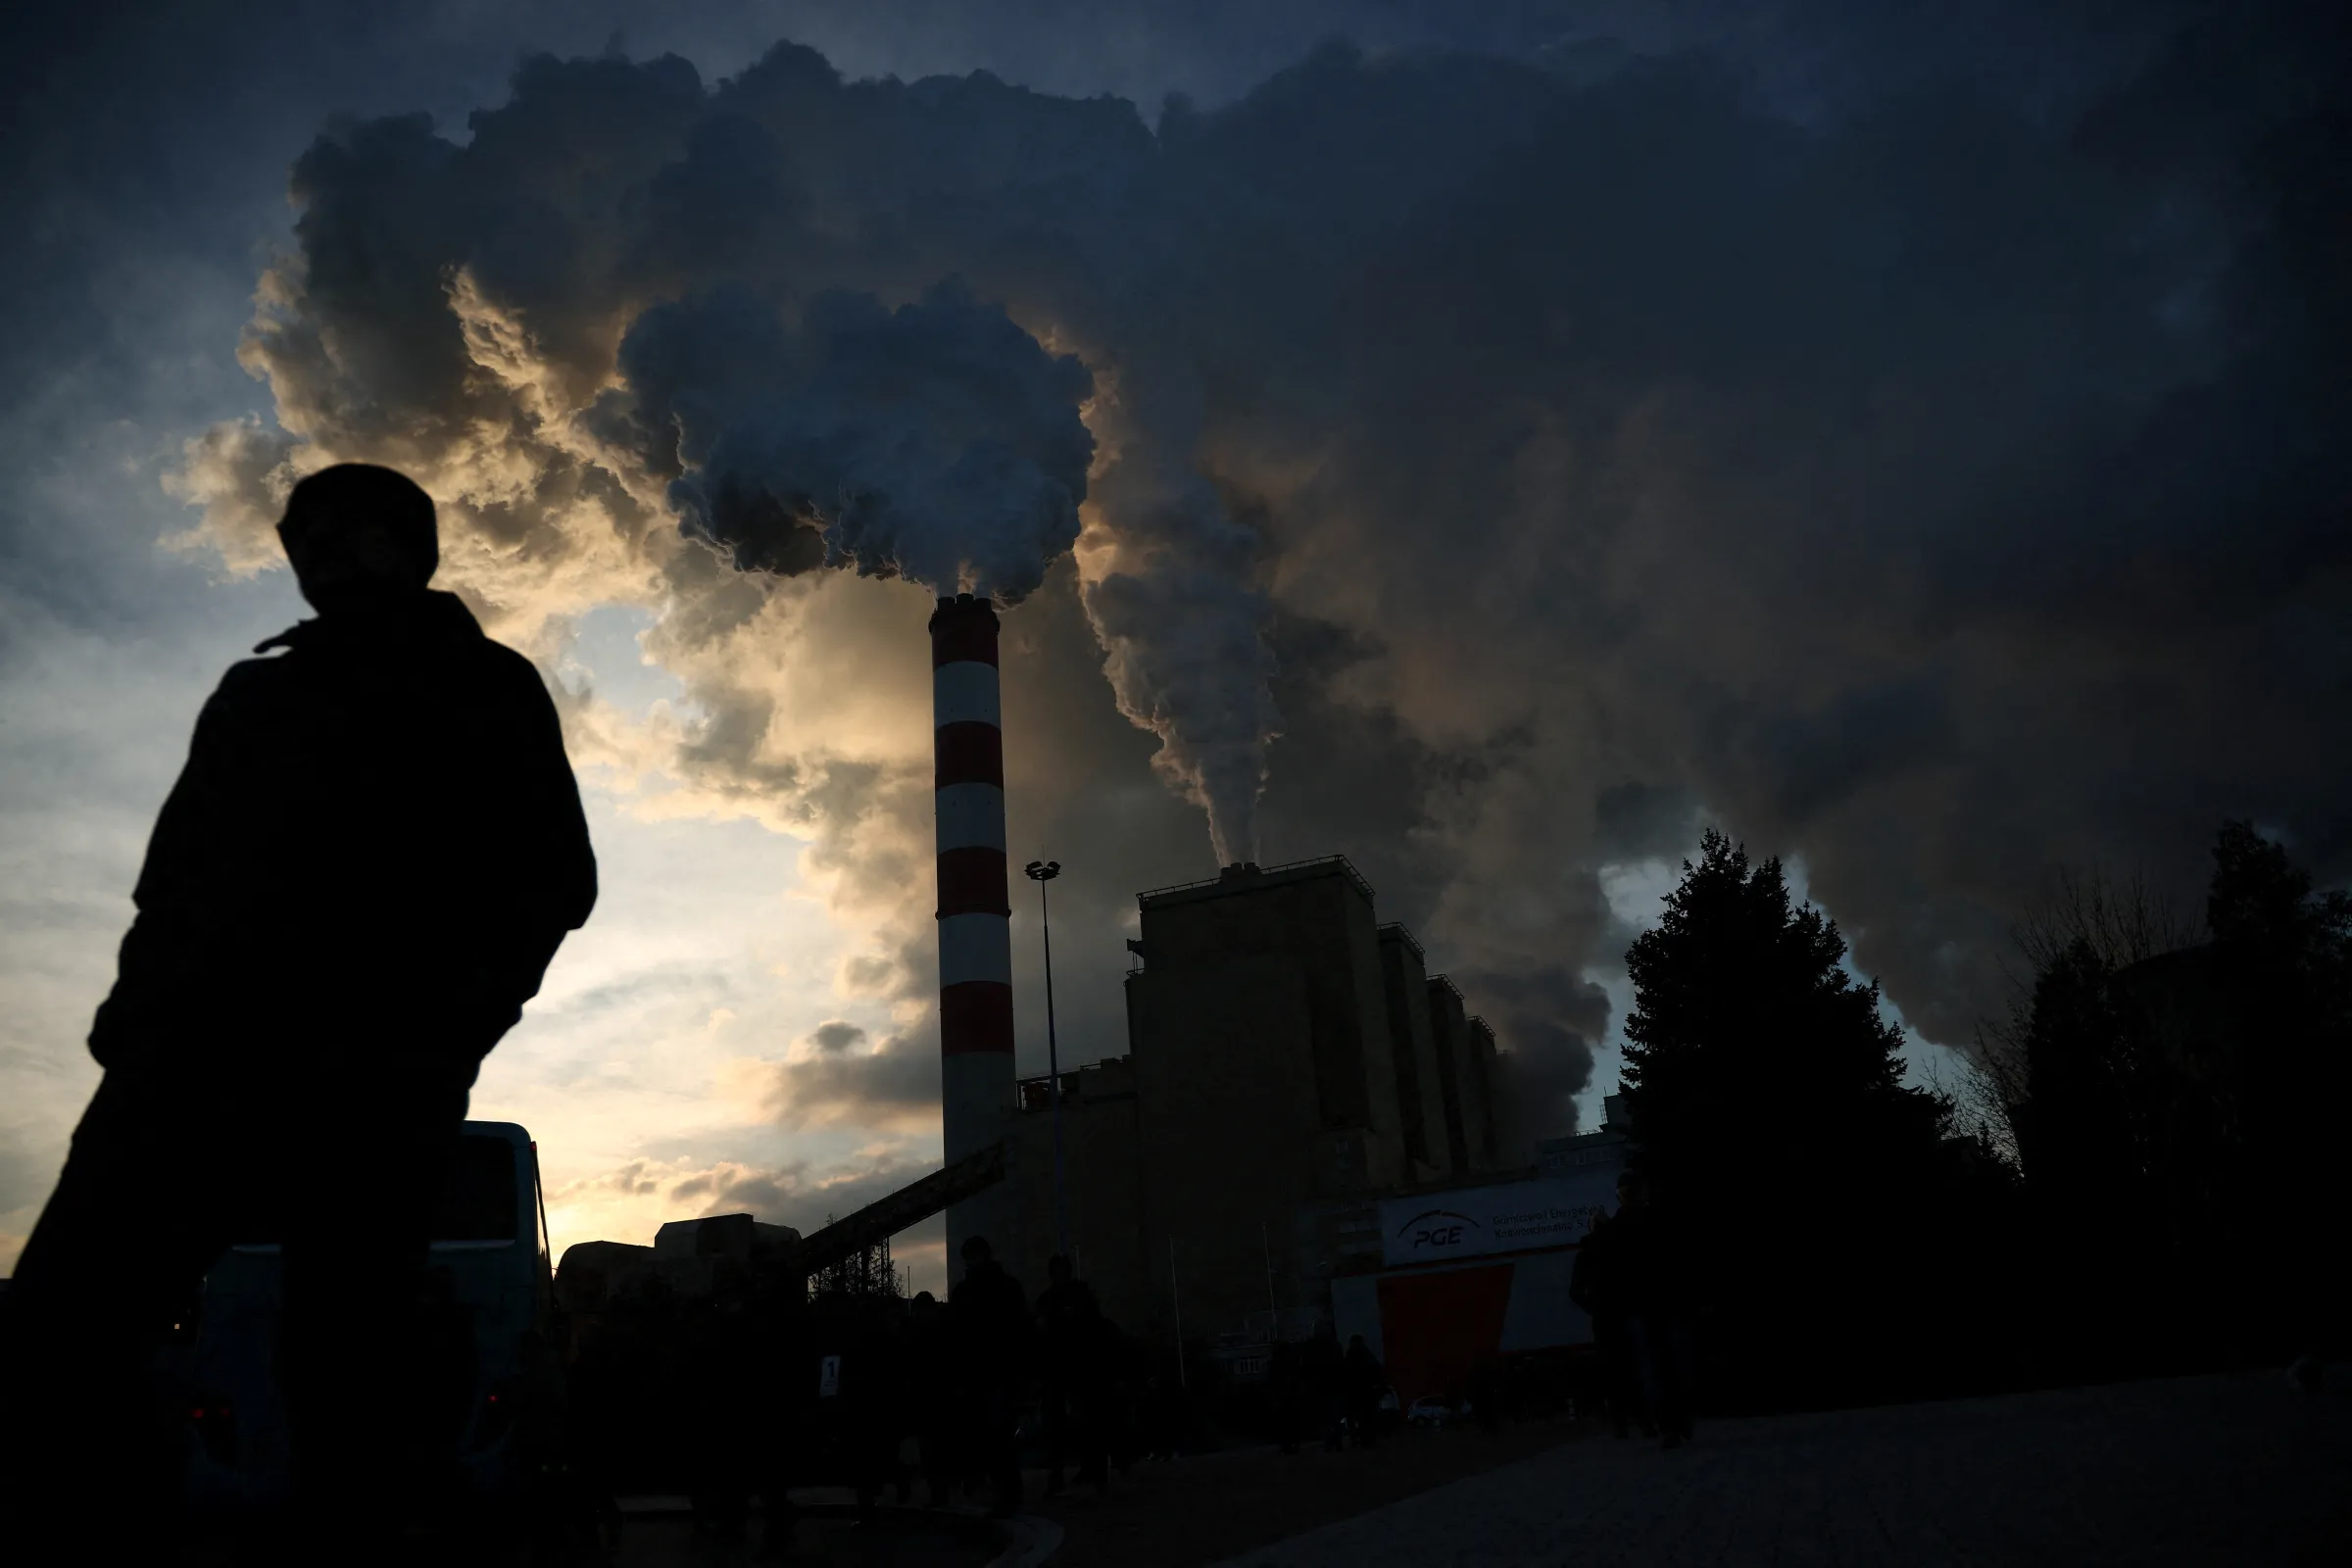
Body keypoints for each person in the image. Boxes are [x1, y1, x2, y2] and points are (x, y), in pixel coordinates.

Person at [0, 464, 597, 1555]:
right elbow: (173, 879)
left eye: (341, 528)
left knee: (342, 1382)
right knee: (61, 1332)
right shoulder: (257, 691)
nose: (313, 550)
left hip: (370, 1084)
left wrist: (444, 1034)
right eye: (298, 533)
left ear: (406, 543)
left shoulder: (482, 686)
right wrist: (131, 1023)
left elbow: (556, 883)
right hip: (189, 1066)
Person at [1610, 1170, 1698, 1447]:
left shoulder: (1620, 1226)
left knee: (1657, 1368)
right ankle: (1677, 1422)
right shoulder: (1656, 1219)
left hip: (1645, 1305)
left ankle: (1671, 1424)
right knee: (1670, 1364)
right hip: (1659, 1303)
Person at [948, 1236, 1030, 1515]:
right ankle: (1004, 1491)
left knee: (996, 1436)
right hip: (986, 1375)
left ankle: (1006, 1492)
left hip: (993, 1374)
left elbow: (1019, 1331)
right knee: (991, 1436)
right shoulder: (998, 1289)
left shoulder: (985, 1290)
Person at [1034, 1254, 1110, 1494]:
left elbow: (1095, 1328)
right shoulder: (1051, 1300)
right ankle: (1062, 1472)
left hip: (1079, 1368)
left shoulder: (1078, 1298)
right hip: (1060, 1369)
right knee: (1061, 1423)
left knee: (1085, 1420)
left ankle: (1091, 1470)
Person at [1569, 1202, 1643, 1439]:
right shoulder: (1619, 1250)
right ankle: (1642, 1417)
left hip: (1603, 1316)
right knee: (1632, 1365)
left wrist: (1593, 1307)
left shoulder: (1586, 1255)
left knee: (1611, 1369)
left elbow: (1575, 1291)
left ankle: (1620, 1421)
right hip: (1623, 1314)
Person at [1342, 1334, 1387, 1450]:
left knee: (1362, 1418)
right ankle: (1365, 1439)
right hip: (1363, 1392)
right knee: (1365, 1418)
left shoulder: (1352, 1357)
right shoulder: (1365, 1356)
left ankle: (1361, 1440)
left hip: (1358, 1392)